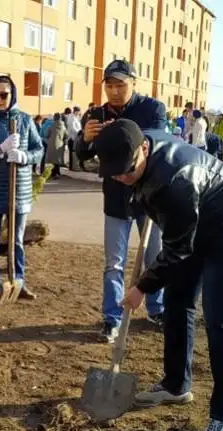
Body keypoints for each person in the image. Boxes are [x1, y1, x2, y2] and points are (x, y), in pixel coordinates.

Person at [94, 119, 223, 431]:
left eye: (128, 171)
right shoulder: (136, 148)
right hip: (191, 219)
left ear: (144, 150)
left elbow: (179, 248)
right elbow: (176, 235)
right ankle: (176, 385)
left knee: (220, 318)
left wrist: (142, 287)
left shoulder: (175, 180)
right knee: (178, 301)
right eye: (116, 174)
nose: (123, 178)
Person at [75, 59, 166, 342]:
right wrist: (85, 139)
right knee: (113, 263)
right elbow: (82, 155)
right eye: (109, 85)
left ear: (134, 83)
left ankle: (157, 309)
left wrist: (121, 133)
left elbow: (157, 141)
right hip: (115, 198)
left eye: (120, 85)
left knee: (153, 257)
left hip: (148, 198)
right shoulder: (96, 113)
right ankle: (111, 319)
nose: (114, 91)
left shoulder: (152, 109)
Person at [0, 74, 44, 306]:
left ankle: (18, 281)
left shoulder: (25, 120)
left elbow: (38, 149)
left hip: (19, 189)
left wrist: (25, 156)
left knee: (17, 241)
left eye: (4, 94)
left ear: (13, 95)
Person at [47, 112, 68, 179]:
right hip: (59, 144)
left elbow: (47, 134)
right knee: (57, 159)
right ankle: (57, 173)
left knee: (53, 160)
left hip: (51, 144)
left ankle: (53, 173)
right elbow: (66, 135)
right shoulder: (63, 126)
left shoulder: (51, 125)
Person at [65, 106, 82, 170]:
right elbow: (72, 128)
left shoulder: (75, 117)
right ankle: (72, 167)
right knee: (72, 152)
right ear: (76, 111)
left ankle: (73, 166)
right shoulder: (71, 117)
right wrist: (79, 132)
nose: (79, 113)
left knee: (73, 152)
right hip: (72, 138)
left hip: (75, 137)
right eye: (78, 111)